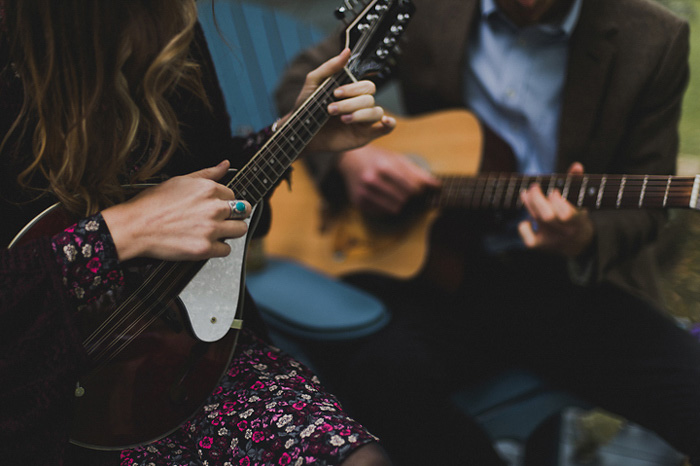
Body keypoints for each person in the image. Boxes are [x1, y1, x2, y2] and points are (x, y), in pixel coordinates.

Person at [275, 0, 700, 464]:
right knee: (376, 377)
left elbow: (646, 209)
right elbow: (302, 81)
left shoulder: (654, 39)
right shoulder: (424, 7)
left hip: (569, 284)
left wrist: (584, 236)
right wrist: (349, 160)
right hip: (439, 268)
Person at [0, 1, 399, 465]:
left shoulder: (168, 23)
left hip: (180, 360)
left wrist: (290, 137)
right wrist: (115, 234)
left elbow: (207, 183)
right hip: (32, 404)